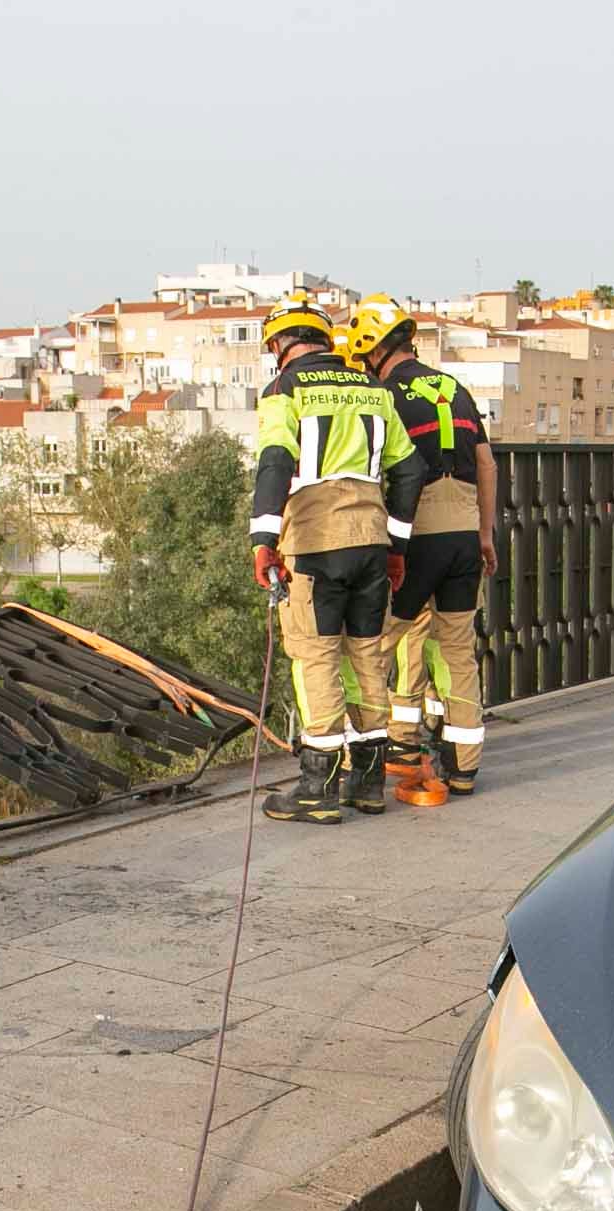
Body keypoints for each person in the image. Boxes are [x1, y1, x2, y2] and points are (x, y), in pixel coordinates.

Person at [249, 296, 427, 824]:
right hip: (371, 541)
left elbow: (276, 459)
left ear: (279, 345)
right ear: (326, 340)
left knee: (316, 657)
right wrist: (395, 544)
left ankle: (317, 787)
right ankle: (367, 783)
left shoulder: (283, 389)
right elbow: (410, 470)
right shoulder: (371, 388)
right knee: (368, 656)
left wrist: (263, 537)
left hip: (314, 542)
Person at [340, 294, 494, 798]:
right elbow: (487, 465)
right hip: (466, 534)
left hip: (419, 532)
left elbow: (387, 469)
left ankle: (360, 753)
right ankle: (464, 766)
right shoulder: (457, 389)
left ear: (371, 350)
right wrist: (486, 535)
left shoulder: (385, 394)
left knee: (375, 640)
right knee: (456, 651)